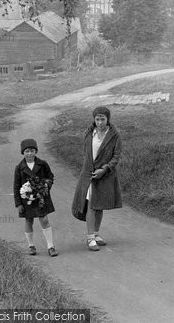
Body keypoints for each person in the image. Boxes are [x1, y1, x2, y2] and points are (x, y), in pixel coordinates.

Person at [71, 106, 123, 251]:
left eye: (103, 119)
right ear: (94, 120)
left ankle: (96, 233)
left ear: (108, 119)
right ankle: (90, 238)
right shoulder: (88, 133)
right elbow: (86, 154)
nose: (100, 122)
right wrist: (90, 169)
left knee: (99, 205)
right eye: (97, 119)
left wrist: (104, 169)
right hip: (89, 175)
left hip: (105, 175)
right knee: (92, 205)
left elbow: (116, 156)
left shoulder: (114, 135)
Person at [14, 138, 58, 257]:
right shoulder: (19, 167)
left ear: (36, 151)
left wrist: (46, 185)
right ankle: (31, 245)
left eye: (32, 151)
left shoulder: (42, 164)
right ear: (23, 152)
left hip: (41, 197)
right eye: (27, 151)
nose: (29, 153)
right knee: (29, 220)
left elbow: (50, 177)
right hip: (27, 200)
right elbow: (16, 186)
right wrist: (18, 203)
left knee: (44, 220)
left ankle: (51, 246)